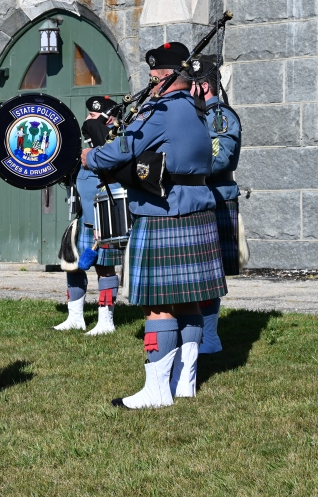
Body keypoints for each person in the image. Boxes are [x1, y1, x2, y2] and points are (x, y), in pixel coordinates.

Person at [82, 43, 227, 409]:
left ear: (163, 77)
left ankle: (157, 391)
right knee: (189, 302)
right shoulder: (198, 109)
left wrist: (89, 156)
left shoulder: (160, 110)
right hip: (198, 213)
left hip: (164, 215)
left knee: (157, 305)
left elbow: (119, 152)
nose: (150, 84)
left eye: (152, 77)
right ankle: (185, 383)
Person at [55, 96, 123, 336]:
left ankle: (106, 321)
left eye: (93, 116)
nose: (87, 120)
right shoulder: (86, 142)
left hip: (104, 217)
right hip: (83, 216)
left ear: (109, 118)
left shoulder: (117, 141)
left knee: (104, 269)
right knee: (72, 265)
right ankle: (75, 318)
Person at [195, 61, 242, 354]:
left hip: (216, 197)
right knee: (198, 272)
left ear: (203, 86)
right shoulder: (198, 115)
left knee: (210, 274)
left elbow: (219, 158)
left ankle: (210, 338)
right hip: (202, 197)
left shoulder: (218, 116)